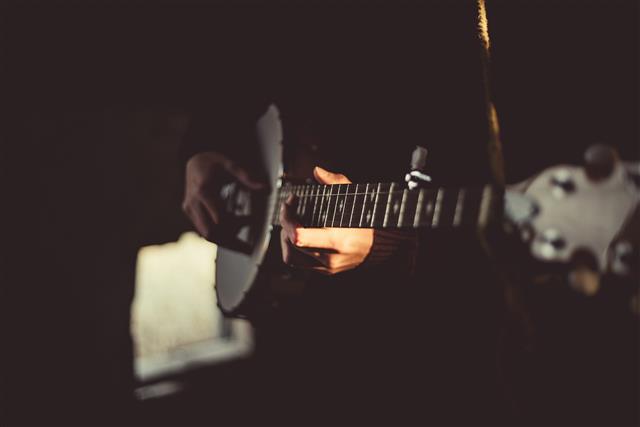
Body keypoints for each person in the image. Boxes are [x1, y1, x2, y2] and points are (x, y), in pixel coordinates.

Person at [180, 2, 505, 424]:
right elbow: (231, 58)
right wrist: (201, 146)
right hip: (296, 337)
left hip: (411, 338)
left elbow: (468, 146)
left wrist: (394, 240)